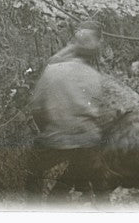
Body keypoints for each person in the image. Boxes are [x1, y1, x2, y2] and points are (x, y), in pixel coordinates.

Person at [26, 20, 115, 197]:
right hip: (87, 142)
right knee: (85, 167)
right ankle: (74, 188)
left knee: (31, 172)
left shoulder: (52, 70)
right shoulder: (94, 77)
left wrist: (51, 127)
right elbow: (103, 114)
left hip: (57, 138)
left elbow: (36, 107)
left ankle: (34, 206)